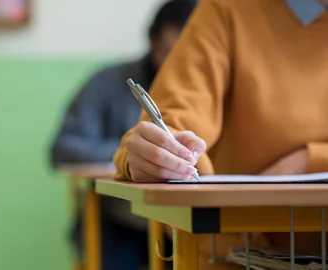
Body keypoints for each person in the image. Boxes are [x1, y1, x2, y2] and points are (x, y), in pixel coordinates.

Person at [113, 0, 328, 269]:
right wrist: (157, 154)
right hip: (235, 255)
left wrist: (309, 162)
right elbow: (176, 120)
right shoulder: (229, 10)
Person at [50, 1, 198, 269]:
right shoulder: (108, 82)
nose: (179, 64)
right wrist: (132, 154)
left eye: (192, 55)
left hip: (185, 223)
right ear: (154, 39)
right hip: (120, 222)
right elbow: (63, 148)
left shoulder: (209, 89)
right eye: (170, 52)